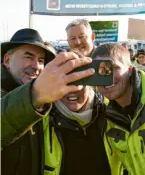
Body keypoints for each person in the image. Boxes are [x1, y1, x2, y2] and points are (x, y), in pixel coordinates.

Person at [1, 28, 95, 175]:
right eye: (28, 57)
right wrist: (34, 95)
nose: (36, 66)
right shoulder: (37, 96)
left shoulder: (46, 100)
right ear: (7, 60)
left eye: (40, 60)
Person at [92, 43, 145, 175]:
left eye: (114, 67)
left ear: (130, 70)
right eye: (99, 70)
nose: (107, 76)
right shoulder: (104, 116)